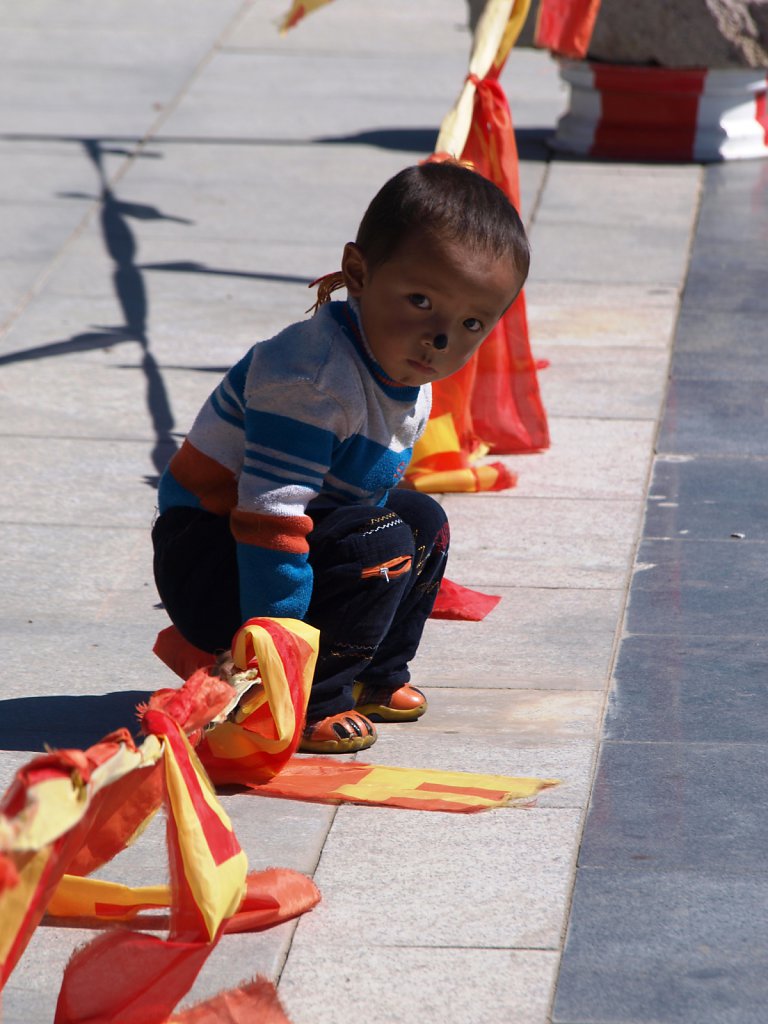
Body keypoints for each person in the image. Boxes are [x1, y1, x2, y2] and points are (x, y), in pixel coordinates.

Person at [151, 160, 530, 755]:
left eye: (470, 323)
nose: (440, 339)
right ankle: (312, 699)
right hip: (211, 551)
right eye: (420, 300)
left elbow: (361, 498)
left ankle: (373, 675)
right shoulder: (314, 380)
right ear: (358, 272)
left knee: (420, 523)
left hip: (284, 535)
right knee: (377, 543)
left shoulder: (403, 367)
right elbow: (267, 518)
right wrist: (271, 652)